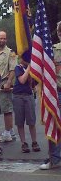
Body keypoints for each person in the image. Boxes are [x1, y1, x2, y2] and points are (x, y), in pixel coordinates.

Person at [40, 21, 61, 169]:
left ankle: (55, 157)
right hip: (56, 92)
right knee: (54, 124)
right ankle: (54, 158)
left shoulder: (53, 50)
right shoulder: (52, 50)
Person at [0, 31, 17, 142]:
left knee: (7, 109)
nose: (2, 40)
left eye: (4, 38)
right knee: (0, 108)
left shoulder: (10, 53)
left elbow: (12, 69)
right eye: (0, 38)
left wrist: (9, 82)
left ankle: (7, 132)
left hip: (4, 83)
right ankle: (10, 130)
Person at [13, 55, 41, 153]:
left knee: (31, 121)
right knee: (20, 121)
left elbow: (36, 82)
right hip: (18, 95)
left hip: (28, 95)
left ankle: (34, 141)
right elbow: (22, 80)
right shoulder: (18, 68)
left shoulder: (33, 69)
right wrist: (29, 68)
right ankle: (23, 143)